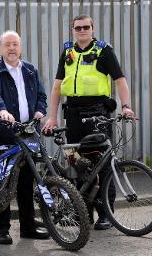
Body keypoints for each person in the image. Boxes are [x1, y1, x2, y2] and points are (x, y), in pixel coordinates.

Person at [42, 14, 135, 230]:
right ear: (73, 30)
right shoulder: (68, 52)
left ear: (92, 29)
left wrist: (126, 106)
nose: (82, 31)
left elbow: (120, 81)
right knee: (76, 165)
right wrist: (53, 116)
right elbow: (57, 87)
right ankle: (82, 214)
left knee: (102, 166)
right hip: (73, 116)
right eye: (78, 28)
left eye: (86, 27)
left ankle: (106, 215)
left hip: (98, 115)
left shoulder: (104, 51)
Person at [0, 30, 49, 245]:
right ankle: (2, 229)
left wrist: (40, 111)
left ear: (20, 47)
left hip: (28, 132)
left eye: (15, 44)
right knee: (1, 181)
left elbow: (41, 95)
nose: (12, 48)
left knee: (26, 181)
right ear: (1, 48)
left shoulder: (30, 70)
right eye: (7, 45)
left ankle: (28, 227)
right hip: (3, 133)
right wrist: (2, 110)